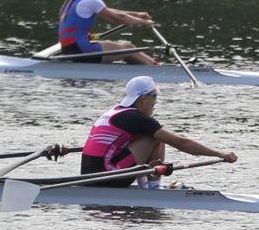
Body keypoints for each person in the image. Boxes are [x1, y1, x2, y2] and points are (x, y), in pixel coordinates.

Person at [81, 75, 237, 188]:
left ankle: (146, 188)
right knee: (157, 137)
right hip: (107, 176)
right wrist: (220, 154)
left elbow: (178, 139)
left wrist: (179, 138)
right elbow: (181, 143)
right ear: (143, 98)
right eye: (154, 96)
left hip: (91, 176)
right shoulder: (136, 118)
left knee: (158, 135)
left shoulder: (117, 112)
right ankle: (153, 190)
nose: (156, 101)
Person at [57, 0, 158, 65]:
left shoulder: (72, 0)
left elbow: (112, 11)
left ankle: (143, 69)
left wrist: (137, 15)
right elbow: (119, 18)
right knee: (129, 48)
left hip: (69, 49)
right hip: (81, 50)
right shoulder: (90, 1)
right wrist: (144, 22)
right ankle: (157, 68)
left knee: (123, 46)